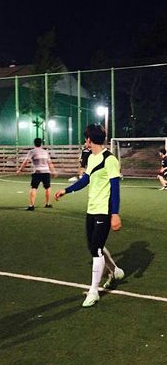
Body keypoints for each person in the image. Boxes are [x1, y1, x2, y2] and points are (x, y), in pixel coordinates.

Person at [54, 124, 124, 307]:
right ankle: (115, 271)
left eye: (86, 138)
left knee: (96, 250)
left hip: (104, 210)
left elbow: (115, 189)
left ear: (90, 140)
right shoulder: (92, 158)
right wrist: (66, 190)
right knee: (95, 247)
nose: (85, 141)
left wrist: (115, 214)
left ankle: (94, 291)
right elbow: (85, 180)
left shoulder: (110, 160)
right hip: (91, 210)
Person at [16, 138, 56, 211]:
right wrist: (53, 171)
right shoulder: (45, 152)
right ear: (41, 143)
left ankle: (31, 205)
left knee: (34, 188)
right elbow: (49, 162)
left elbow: (26, 161)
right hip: (46, 172)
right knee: (47, 187)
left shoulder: (32, 151)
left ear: (34, 143)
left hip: (37, 172)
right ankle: (47, 203)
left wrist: (20, 170)